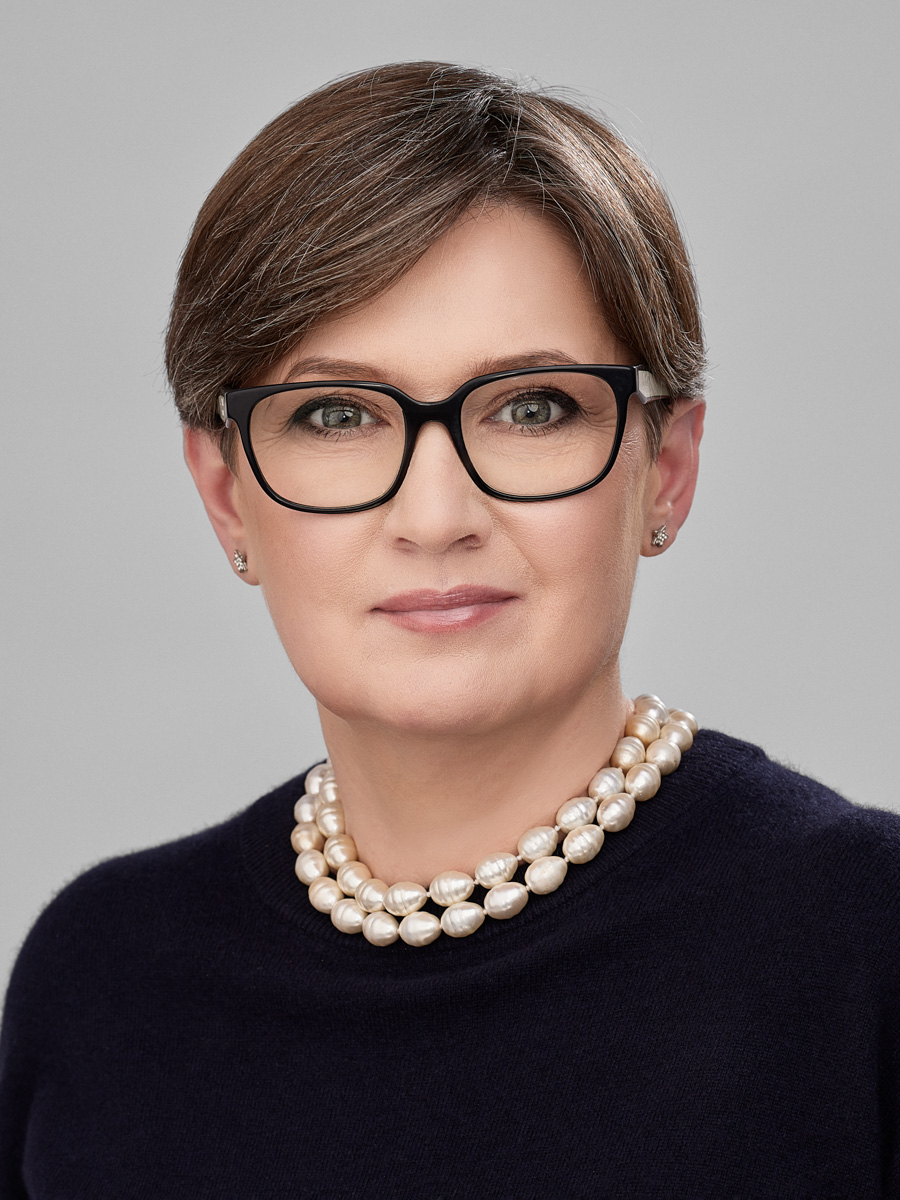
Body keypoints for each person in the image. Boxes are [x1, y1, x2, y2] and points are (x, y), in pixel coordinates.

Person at [1, 60, 898, 1197]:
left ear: (666, 468)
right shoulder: (103, 978)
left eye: (532, 407)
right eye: (336, 415)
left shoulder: (865, 944)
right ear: (227, 495)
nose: (436, 517)